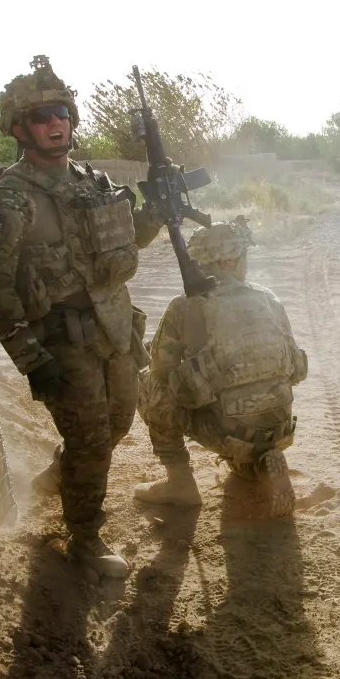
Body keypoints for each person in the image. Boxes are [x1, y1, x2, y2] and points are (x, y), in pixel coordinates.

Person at [0, 56, 162, 578]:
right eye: (40, 117)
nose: (55, 123)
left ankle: (59, 475)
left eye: (61, 113)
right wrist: (32, 358)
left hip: (116, 328)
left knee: (119, 423)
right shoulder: (10, 198)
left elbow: (118, 251)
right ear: (18, 129)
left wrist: (153, 216)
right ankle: (85, 538)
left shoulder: (91, 179)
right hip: (62, 339)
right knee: (91, 439)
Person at [134, 217, 307, 517]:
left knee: (148, 382)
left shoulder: (185, 306)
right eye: (244, 256)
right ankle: (256, 460)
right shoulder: (268, 298)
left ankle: (180, 483)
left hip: (224, 430)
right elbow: (295, 370)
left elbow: (161, 368)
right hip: (279, 426)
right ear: (230, 260)